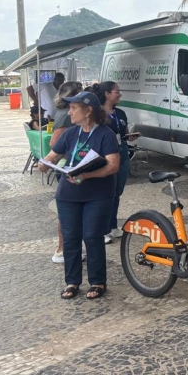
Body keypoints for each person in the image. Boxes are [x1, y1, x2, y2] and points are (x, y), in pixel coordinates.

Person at [38, 91, 120, 300]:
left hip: (97, 194)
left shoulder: (105, 134)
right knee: (71, 237)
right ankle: (72, 281)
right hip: (68, 194)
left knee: (92, 236)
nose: (70, 111)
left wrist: (88, 174)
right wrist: (45, 163)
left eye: (74, 108)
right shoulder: (70, 133)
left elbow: (113, 166)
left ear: (88, 111)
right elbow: (53, 155)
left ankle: (97, 281)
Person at [98, 81, 140, 244]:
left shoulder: (121, 113)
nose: (120, 94)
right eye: (117, 91)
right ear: (107, 94)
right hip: (105, 155)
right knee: (105, 192)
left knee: (117, 192)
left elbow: (124, 133)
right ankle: (103, 229)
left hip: (121, 152)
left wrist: (130, 136)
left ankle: (113, 225)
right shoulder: (98, 113)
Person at [49, 80, 84, 264]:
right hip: (67, 166)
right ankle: (62, 249)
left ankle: (70, 248)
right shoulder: (65, 115)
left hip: (73, 167)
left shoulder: (64, 113)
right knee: (67, 212)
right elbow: (54, 144)